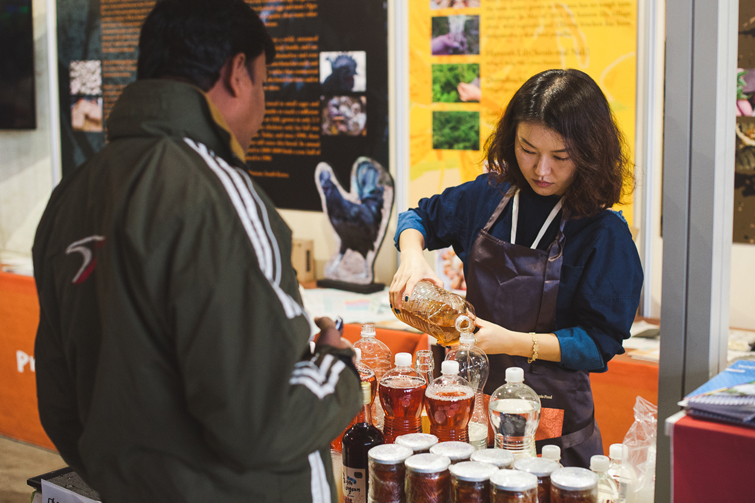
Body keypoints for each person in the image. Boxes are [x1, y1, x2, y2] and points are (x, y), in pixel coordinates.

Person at [32, 1, 361, 502]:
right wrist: (337, 368)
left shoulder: (72, 194)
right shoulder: (213, 190)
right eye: (265, 86)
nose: (264, 108)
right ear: (236, 75)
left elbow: (61, 404)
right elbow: (263, 420)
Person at [389, 69, 643, 468]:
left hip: (553, 427)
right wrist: (412, 256)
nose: (541, 170)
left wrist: (512, 341)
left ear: (590, 153)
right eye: (528, 149)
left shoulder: (603, 233)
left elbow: (600, 343)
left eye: (560, 157)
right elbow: (418, 218)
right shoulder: (488, 197)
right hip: (469, 414)